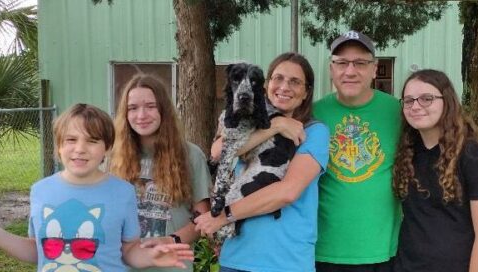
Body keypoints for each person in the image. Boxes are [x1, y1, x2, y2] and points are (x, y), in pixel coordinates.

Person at [0, 103, 194, 271]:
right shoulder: (40, 191)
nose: (80, 149)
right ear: (59, 147)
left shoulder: (123, 192)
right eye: (71, 140)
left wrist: (149, 257)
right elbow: (37, 250)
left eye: (92, 141)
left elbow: (129, 251)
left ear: (107, 148)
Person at [194, 52, 330, 272]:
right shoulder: (247, 122)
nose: (284, 87)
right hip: (235, 256)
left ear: (306, 93)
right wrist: (275, 126)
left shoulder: (313, 132)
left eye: (295, 82)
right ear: (266, 85)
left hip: (284, 261)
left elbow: (287, 192)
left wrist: (224, 216)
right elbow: (218, 151)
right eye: (278, 78)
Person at [391, 69, 478, 272]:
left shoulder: (474, 156)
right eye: (409, 101)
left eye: (427, 99)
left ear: (447, 102)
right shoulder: (406, 152)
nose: (416, 106)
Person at [313, 30, 402, 272]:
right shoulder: (311, 115)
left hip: (384, 252)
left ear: (375, 69)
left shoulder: (400, 113)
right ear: (331, 69)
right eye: (341, 63)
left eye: (360, 63)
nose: (350, 71)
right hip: (325, 251)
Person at [109, 74, 211, 272]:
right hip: (123, 266)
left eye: (150, 106)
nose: (141, 115)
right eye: (133, 108)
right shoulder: (114, 156)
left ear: (163, 109)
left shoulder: (190, 154)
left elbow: (203, 217)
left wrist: (170, 240)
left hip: (172, 266)